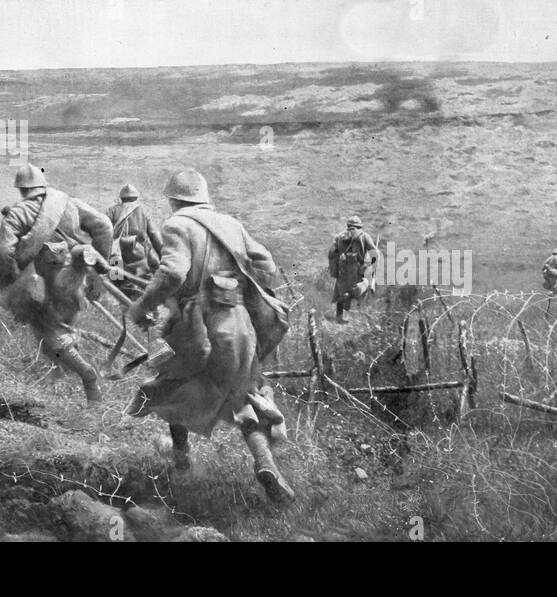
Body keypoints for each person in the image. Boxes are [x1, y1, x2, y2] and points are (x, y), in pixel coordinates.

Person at [125, 169, 294, 503]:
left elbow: (173, 272)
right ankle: (265, 463)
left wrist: (143, 304)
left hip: (198, 327)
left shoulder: (177, 225)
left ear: (174, 199)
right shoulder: (230, 225)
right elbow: (268, 266)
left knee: (173, 384)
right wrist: (232, 281)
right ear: (202, 196)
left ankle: (182, 459)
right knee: (245, 393)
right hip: (240, 326)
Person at [0, 163, 114, 403]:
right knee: (61, 330)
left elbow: (1, 252)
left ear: (22, 189)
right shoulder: (70, 203)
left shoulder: (19, 213)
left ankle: (88, 376)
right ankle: (58, 372)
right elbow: (104, 227)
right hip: (73, 282)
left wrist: (11, 281)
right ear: (42, 185)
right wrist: (96, 274)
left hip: (44, 286)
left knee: (50, 335)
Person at [104, 183, 163, 299]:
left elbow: (104, 233)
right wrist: (163, 256)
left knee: (119, 291)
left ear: (121, 198)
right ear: (136, 198)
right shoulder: (143, 210)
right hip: (139, 258)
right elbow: (154, 235)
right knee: (144, 289)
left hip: (116, 258)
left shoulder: (111, 211)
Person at [327, 216, 378, 323]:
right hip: (357, 270)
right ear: (359, 226)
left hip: (343, 270)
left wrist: (335, 269)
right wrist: (370, 267)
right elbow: (375, 253)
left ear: (348, 226)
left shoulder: (339, 237)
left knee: (340, 290)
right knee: (363, 288)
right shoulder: (364, 236)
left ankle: (339, 318)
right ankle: (359, 319)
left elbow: (331, 253)